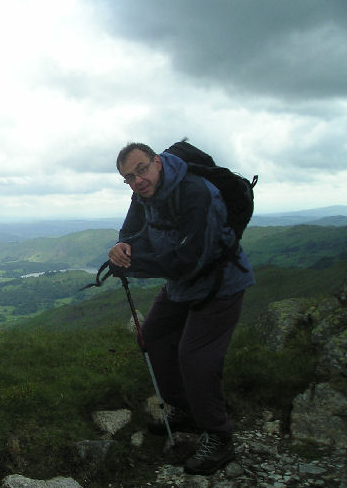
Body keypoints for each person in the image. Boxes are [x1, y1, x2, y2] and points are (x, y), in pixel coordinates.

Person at [108, 142, 254, 476]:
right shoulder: (144, 194)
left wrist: (132, 266)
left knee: (196, 356)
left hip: (221, 283)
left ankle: (219, 436)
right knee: (154, 337)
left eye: (141, 169)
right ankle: (187, 408)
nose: (137, 181)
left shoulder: (194, 193)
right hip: (184, 285)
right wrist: (122, 248)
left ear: (157, 162)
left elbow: (190, 259)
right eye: (128, 178)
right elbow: (132, 232)